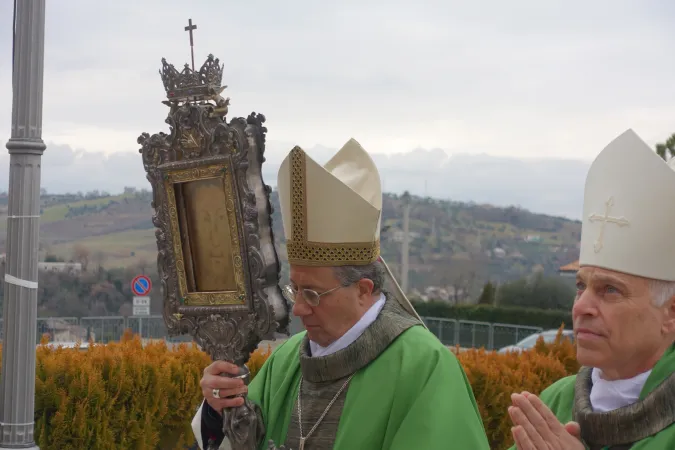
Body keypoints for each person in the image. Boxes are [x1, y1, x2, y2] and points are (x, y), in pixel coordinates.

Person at [192, 138, 490, 449]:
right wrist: (219, 411)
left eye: (313, 294)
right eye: (295, 290)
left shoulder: (423, 368)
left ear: (363, 290)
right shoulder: (285, 361)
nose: (298, 309)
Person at [507, 129, 675, 449]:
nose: (582, 306)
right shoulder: (556, 400)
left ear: (671, 311)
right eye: (581, 286)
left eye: (610, 290)